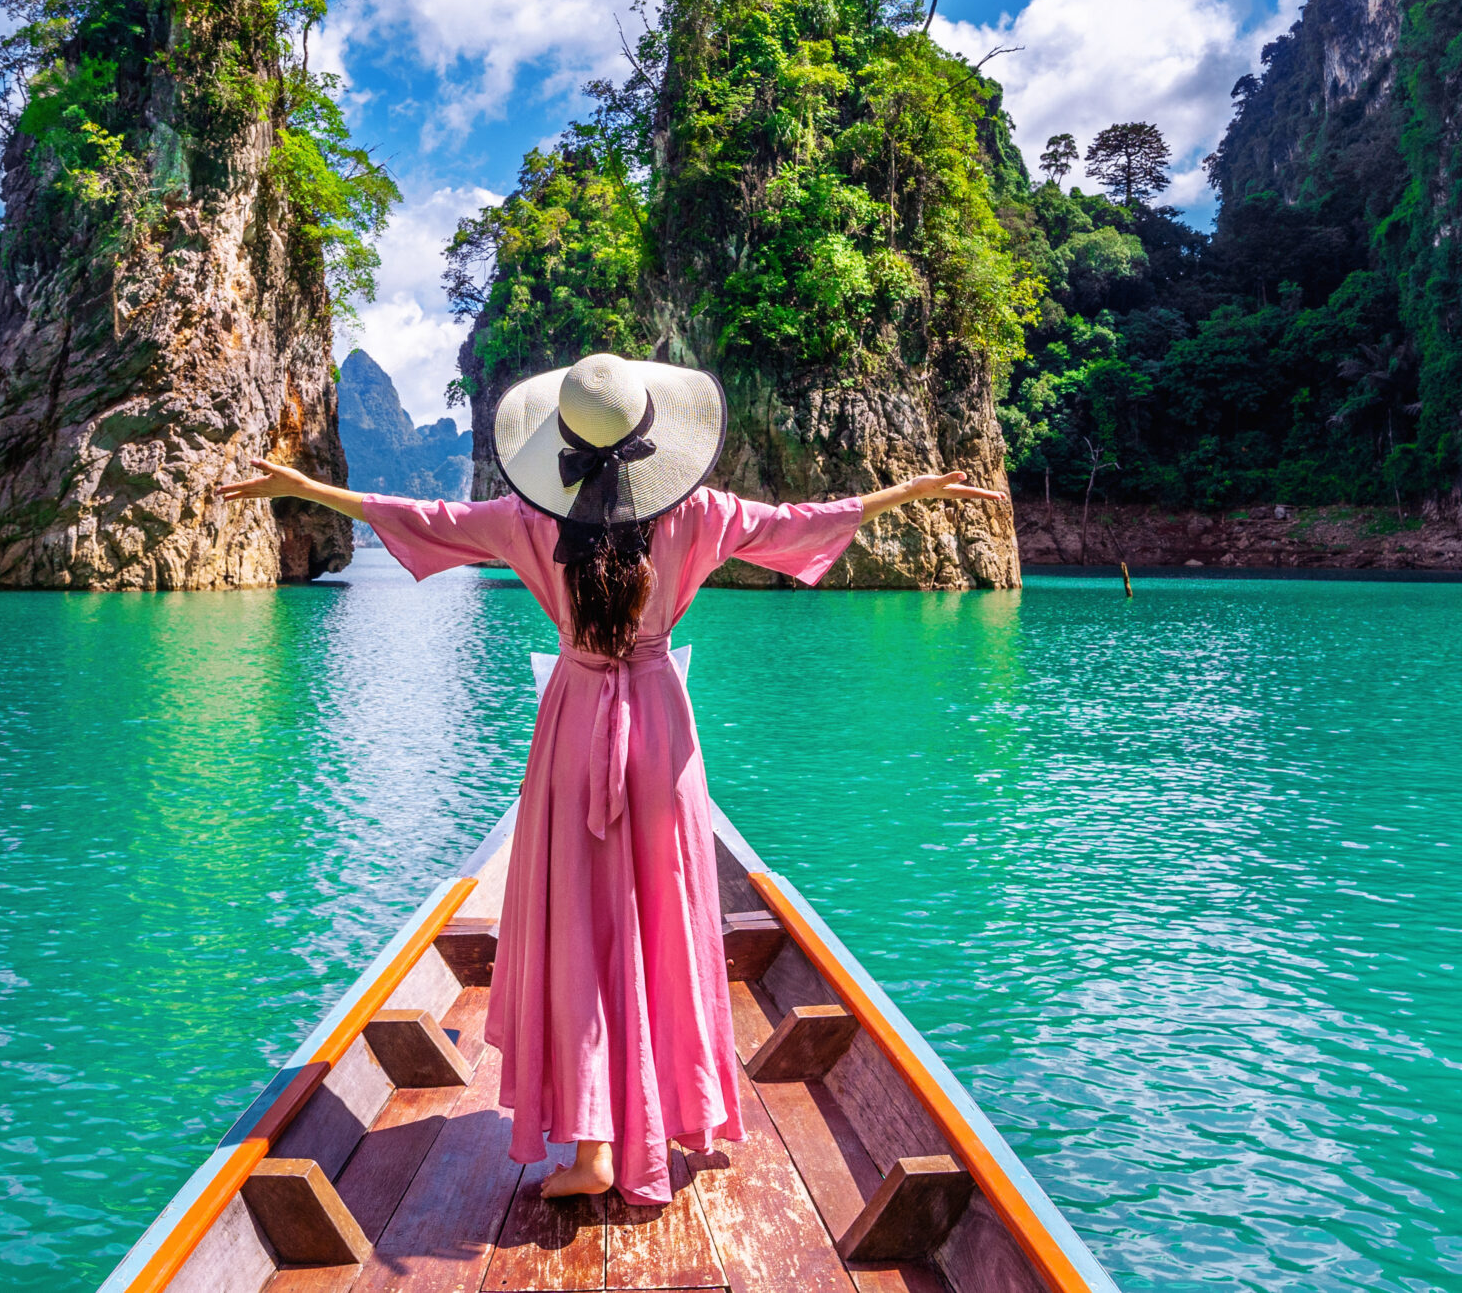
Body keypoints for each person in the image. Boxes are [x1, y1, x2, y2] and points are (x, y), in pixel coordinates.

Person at [220, 352, 1006, 1206]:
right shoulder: (698, 513)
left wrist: (309, 488)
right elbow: (797, 524)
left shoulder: (528, 520)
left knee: (580, 926)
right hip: (661, 732)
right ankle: (674, 1112)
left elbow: (423, 517)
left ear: (563, 439)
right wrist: (905, 493)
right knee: (665, 917)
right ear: (651, 438)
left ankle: (594, 1144)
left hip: (573, 726)